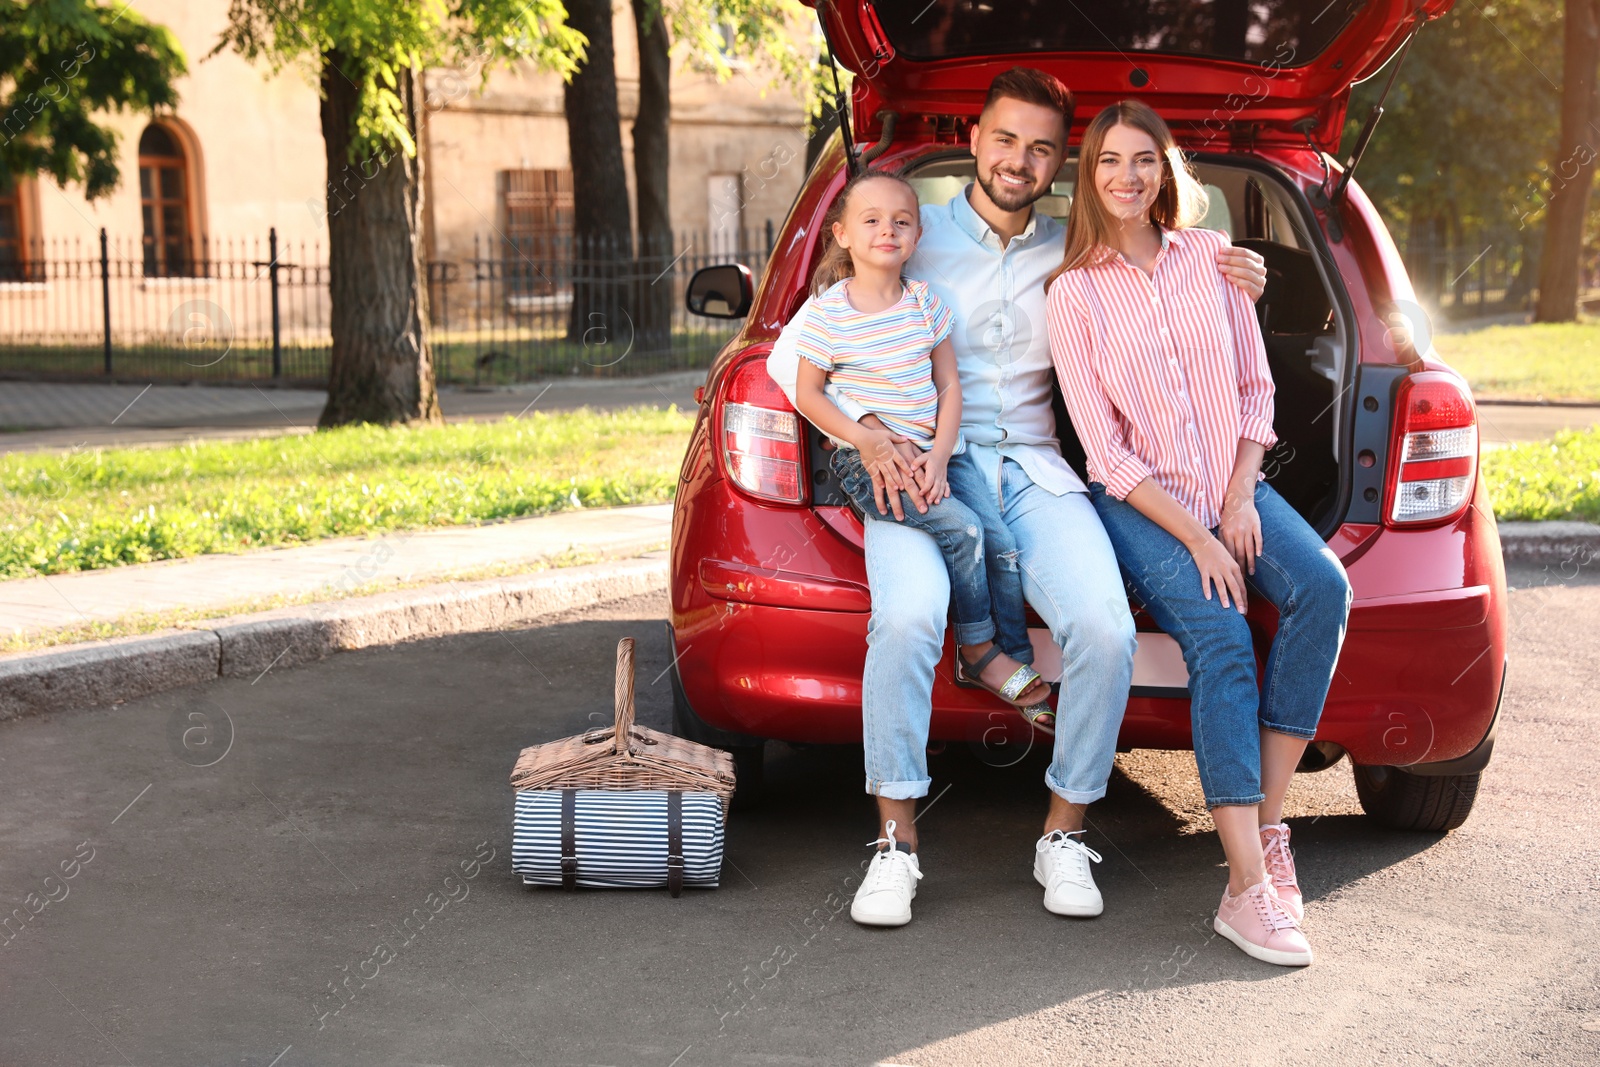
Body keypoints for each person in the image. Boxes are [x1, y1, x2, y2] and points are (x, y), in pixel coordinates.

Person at [767, 68, 1268, 929]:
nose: (1019, 160)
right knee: (909, 618)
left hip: (1037, 471)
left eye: (1041, 148)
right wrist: (871, 433)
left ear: (1057, 164)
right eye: (1005, 139)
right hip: (921, 472)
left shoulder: (1075, 255)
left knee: (1105, 630)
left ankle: (1065, 832)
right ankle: (895, 844)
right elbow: (796, 360)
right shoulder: (908, 240)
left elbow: (1171, 272)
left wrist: (1237, 269)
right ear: (975, 139)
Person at [1044, 99, 1352, 966]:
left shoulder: (1214, 262)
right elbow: (1103, 450)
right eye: (1108, 161)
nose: (1126, 177)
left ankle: (1266, 830)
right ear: (1090, 176)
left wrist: (1241, 500)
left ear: (1167, 168)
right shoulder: (1074, 294)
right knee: (1220, 638)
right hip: (1143, 503)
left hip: (1232, 488)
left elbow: (1258, 391)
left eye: (1143, 159)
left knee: (1325, 589)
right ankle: (1249, 891)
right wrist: (1202, 538)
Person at [787, 169, 1053, 727]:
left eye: (902, 221)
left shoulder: (925, 303)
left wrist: (938, 457)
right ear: (842, 234)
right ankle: (980, 651)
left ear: (917, 236)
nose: (889, 230)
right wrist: (865, 438)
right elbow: (807, 393)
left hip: (941, 454)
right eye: (872, 220)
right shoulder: (826, 314)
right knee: (965, 531)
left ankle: (1018, 660)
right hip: (870, 464)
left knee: (1002, 543)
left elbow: (949, 387)